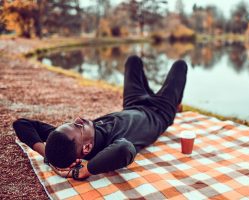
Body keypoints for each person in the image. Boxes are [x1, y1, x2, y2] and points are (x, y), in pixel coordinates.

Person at [13, 55, 188, 180]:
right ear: (87, 148)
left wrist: (48, 156)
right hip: (160, 112)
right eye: (79, 127)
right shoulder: (111, 147)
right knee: (180, 65)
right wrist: (87, 170)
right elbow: (125, 150)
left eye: (73, 123)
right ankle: (175, 105)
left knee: (133, 60)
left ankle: (159, 96)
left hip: (133, 103)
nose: (80, 119)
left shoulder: (68, 141)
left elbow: (21, 124)